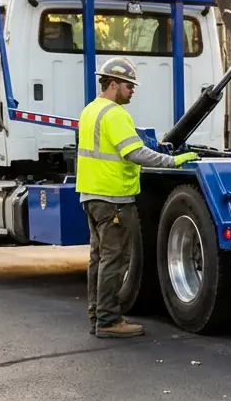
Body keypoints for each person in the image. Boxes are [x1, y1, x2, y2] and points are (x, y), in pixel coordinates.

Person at [76, 57, 198, 338]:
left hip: (92, 197)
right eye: (129, 86)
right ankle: (108, 321)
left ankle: (97, 316)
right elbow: (135, 153)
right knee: (115, 260)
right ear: (114, 84)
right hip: (114, 199)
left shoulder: (90, 111)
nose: (132, 91)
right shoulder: (115, 114)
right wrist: (173, 161)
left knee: (99, 259)